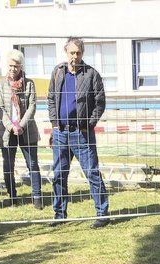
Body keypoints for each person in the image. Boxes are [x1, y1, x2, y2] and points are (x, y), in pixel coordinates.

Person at [47, 37, 109, 227]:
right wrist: (54, 123)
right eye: (71, 52)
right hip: (61, 133)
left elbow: (100, 103)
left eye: (78, 53)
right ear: (66, 53)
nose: (75, 56)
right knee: (58, 174)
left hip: (82, 134)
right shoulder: (58, 72)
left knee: (92, 173)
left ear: (82, 53)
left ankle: (102, 214)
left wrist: (88, 124)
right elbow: (50, 99)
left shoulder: (91, 74)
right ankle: (60, 215)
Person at [0, 50, 43, 209]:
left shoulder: (29, 84)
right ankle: (12, 196)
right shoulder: (0, 85)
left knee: (33, 164)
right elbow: (0, 108)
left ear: (21, 66)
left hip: (27, 130)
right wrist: (12, 127)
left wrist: (21, 125)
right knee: (8, 165)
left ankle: (37, 197)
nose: (13, 69)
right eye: (10, 65)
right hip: (8, 132)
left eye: (16, 66)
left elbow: (32, 106)